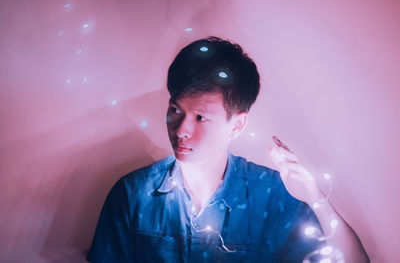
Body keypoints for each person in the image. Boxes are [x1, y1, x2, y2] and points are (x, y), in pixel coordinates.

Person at [87, 36, 368, 262]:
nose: (181, 129)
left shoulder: (272, 195)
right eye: (175, 110)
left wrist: (315, 198)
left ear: (236, 125)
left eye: (200, 117)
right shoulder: (134, 194)